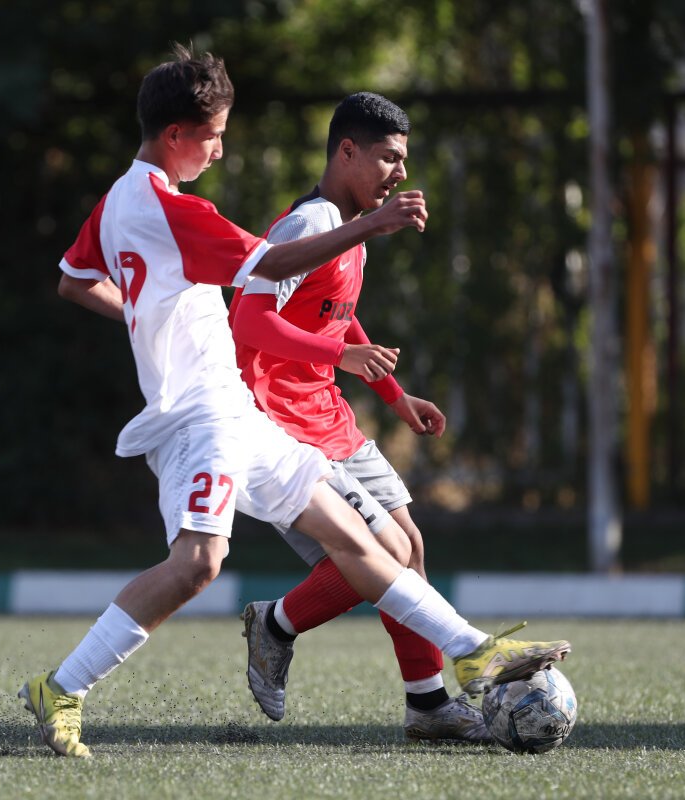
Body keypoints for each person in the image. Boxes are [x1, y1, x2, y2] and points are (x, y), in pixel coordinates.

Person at [18, 44, 570, 759]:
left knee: (362, 541)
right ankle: (62, 687)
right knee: (197, 564)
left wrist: (146, 315)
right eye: (214, 136)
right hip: (200, 416)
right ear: (177, 134)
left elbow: (74, 279)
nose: (219, 151)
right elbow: (273, 265)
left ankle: (472, 653)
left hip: (236, 411)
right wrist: (370, 224)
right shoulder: (175, 210)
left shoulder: (117, 200)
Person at [229, 92, 487, 742]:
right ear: (347, 151)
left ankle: (427, 705)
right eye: (389, 158)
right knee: (382, 554)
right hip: (278, 423)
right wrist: (339, 356)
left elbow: (338, 314)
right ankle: (275, 625)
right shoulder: (305, 225)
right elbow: (248, 321)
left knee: (410, 546)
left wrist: (397, 397)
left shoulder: (354, 230)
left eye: (404, 159)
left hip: (328, 414)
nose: (401, 173)